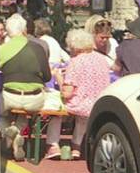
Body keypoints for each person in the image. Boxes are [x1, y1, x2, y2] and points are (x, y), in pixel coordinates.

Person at [44, 29, 114, 160]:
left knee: (56, 111)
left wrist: (58, 76)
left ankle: (53, 145)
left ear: (74, 46)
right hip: (98, 103)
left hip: (80, 105)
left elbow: (67, 93)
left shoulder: (76, 62)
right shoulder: (101, 59)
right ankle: (76, 147)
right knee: (83, 118)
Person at [0, 14, 51, 161]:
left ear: (7, 32)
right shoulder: (38, 48)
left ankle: (8, 131)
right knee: (26, 113)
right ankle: (19, 134)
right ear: (25, 30)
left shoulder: (2, 50)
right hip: (34, 98)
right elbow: (47, 76)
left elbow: (0, 70)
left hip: (9, 95)